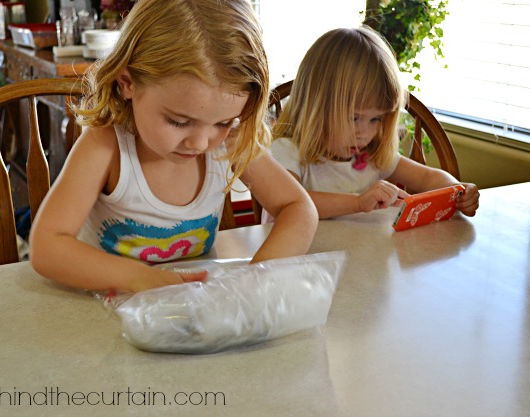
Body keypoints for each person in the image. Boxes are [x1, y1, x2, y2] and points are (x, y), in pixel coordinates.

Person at [29, 0, 318, 293]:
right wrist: (136, 278)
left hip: (190, 312)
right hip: (106, 311)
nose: (201, 143)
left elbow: (299, 208)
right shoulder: (106, 146)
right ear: (128, 83)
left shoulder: (231, 142)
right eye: (179, 122)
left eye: (223, 122)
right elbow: (47, 247)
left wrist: (256, 277)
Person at [269, 26, 480, 220]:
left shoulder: (371, 157)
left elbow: (427, 177)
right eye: (354, 118)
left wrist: (457, 190)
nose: (364, 132)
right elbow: (289, 203)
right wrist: (358, 202)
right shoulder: (287, 151)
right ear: (314, 106)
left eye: (376, 119)